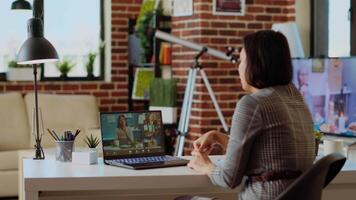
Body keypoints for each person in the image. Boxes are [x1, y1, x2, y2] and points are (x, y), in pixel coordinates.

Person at [187, 30, 315, 200]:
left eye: (241, 61)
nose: (238, 67)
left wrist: (205, 166)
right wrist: (217, 137)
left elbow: (228, 178)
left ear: (255, 64)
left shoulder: (252, 104)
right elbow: (269, 153)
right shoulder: (295, 97)